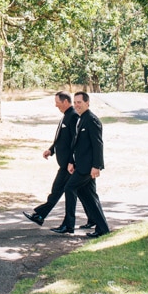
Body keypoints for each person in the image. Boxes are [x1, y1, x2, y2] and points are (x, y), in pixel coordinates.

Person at [23, 91, 94, 228]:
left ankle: (41, 215)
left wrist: (71, 161)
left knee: (58, 190)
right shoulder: (66, 115)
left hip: (69, 165)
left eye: (58, 102)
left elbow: (75, 141)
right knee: (86, 193)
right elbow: (62, 138)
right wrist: (51, 149)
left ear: (65, 102)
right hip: (66, 163)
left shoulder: (73, 116)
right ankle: (93, 219)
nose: (56, 105)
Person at [53, 91, 111, 238]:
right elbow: (76, 144)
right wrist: (72, 161)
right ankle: (102, 228)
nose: (77, 105)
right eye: (76, 102)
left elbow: (98, 145)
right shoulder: (80, 119)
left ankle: (68, 225)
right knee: (90, 197)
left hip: (88, 167)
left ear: (87, 103)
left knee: (70, 187)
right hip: (80, 165)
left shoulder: (92, 120)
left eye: (80, 102)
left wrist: (96, 166)